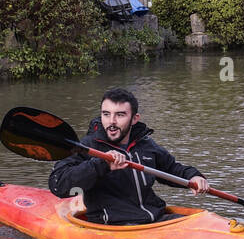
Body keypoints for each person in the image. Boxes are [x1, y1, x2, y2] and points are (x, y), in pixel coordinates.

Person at [49, 87, 209, 225]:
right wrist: (101, 164)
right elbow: (58, 184)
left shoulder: (145, 144)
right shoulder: (88, 147)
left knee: (205, 227)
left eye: (120, 115)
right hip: (115, 226)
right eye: (106, 114)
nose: (111, 122)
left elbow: (171, 169)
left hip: (156, 220)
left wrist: (193, 177)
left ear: (134, 119)